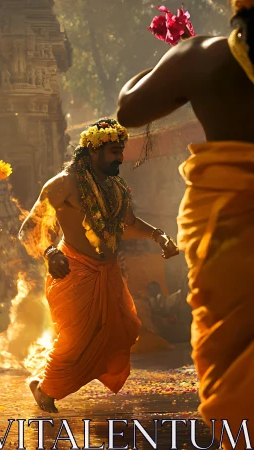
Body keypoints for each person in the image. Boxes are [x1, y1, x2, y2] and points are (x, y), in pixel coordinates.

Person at [116, 2, 254, 445]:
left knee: (234, 368)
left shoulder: (202, 58)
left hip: (227, 235)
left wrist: (170, 61)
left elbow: (129, 109)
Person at [18, 119, 179, 414]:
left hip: (109, 273)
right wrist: (50, 251)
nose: (121, 158)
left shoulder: (115, 186)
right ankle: (44, 389)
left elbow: (126, 225)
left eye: (121, 151)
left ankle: (50, 385)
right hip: (74, 271)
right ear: (93, 151)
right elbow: (29, 229)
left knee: (124, 330)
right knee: (75, 340)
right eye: (114, 152)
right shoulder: (63, 183)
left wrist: (158, 235)